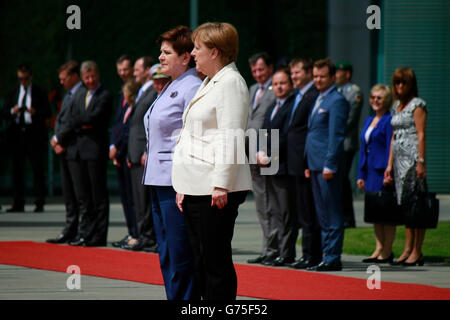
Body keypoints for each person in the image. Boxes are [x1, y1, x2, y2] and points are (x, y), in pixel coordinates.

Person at [172, 22, 252, 300]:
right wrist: (183, 184)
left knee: (214, 261)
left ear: (215, 52)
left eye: (197, 48)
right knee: (201, 260)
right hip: (197, 186)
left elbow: (230, 137)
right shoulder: (211, 81)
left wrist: (221, 185)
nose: (193, 53)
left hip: (214, 189)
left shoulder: (230, 82)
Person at [142, 25, 200, 300]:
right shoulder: (170, 86)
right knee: (165, 252)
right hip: (157, 179)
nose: (161, 57)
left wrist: (186, 181)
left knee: (180, 254)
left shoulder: (192, 88)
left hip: (176, 182)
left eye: (167, 53)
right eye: (161, 52)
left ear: (186, 57)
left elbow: (195, 137)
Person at [59, 60, 113, 247]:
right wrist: (83, 122)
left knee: (98, 195)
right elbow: (74, 118)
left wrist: (82, 122)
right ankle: (86, 233)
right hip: (80, 151)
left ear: (98, 75)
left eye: (93, 77)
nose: (90, 80)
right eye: (87, 77)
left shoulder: (104, 94)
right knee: (85, 196)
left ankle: (99, 235)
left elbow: (94, 118)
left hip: (95, 151)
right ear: (82, 78)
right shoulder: (80, 94)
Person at [304, 58, 349, 271]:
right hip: (314, 164)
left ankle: (333, 257)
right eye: (315, 76)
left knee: (332, 213)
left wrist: (330, 164)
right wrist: (307, 162)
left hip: (327, 166)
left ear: (333, 77)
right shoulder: (319, 98)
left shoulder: (337, 100)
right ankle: (326, 256)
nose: (318, 80)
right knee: (321, 213)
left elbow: (336, 135)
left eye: (322, 76)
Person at [384, 67, 428, 266]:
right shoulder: (396, 106)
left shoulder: (417, 105)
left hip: (411, 161)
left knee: (416, 205)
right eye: (397, 83)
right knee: (405, 207)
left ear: (411, 85)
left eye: (403, 83)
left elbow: (420, 134)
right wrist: (389, 163)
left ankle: (417, 251)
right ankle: (407, 248)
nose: (400, 86)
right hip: (398, 162)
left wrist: (420, 161)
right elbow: (394, 136)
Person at [256, 68, 297, 267]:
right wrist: (260, 151)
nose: (279, 87)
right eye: (276, 84)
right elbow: (264, 131)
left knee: (286, 211)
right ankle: (276, 251)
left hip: (282, 165)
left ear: (290, 85)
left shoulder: (291, 105)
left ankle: (287, 253)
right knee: (273, 210)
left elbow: (286, 135)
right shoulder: (273, 105)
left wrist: (269, 154)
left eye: (283, 83)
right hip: (269, 165)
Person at [285, 58, 322, 269]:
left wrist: (307, 161)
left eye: (297, 72)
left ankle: (312, 254)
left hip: (305, 162)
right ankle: (307, 253)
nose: (294, 77)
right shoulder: (297, 96)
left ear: (308, 72)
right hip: (294, 162)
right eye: (292, 73)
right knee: (301, 210)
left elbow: (309, 131)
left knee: (309, 211)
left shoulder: (313, 95)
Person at [2, 64, 51, 213]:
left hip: (34, 133)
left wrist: (35, 112)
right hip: (17, 134)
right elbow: (4, 111)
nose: (23, 81)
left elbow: (48, 112)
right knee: (17, 169)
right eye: (20, 79)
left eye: (25, 78)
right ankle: (18, 202)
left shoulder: (39, 92)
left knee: (37, 168)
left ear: (31, 77)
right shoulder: (13, 92)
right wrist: (13, 111)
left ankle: (39, 201)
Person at [122, 57, 158, 253]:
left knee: (145, 200)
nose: (134, 73)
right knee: (138, 200)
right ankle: (143, 235)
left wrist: (145, 150)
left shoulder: (153, 91)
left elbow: (150, 125)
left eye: (137, 70)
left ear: (147, 70)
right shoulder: (143, 91)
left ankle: (149, 237)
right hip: (134, 153)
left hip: (143, 153)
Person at [245, 52, 277, 264]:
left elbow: (273, 124)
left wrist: (265, 151)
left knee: (271, 204)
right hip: (251, 152)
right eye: (254, 70)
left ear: (270, 68)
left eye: (261, 69)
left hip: (268, 151)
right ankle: (267, 249)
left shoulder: (277, 90)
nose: (258, 74)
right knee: (260, 203)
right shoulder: (253, 89)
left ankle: (274, 250)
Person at [357, 84, 395, 263]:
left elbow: (390, 146)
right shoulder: (368, 120)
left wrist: (389, 168)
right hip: (370, 170)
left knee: (386, 213)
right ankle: (378, 248)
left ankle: (387, 250)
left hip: (382, 171)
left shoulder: (389, 120)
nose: (375, 101)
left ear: (386, 100)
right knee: (374, 213)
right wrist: (360, 174)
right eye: (373, 97)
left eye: (379, 98)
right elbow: (363, 148)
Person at [46, 61, 83, 243]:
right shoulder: (68, 95)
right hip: (64, 148)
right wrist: (55, 140)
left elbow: (74, 121)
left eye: (64, 78)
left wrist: (58, 139)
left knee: (79, 193)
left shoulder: (80, 93)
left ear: (74, 76)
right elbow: (61, 120)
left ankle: (80, 230)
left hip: (74, 148)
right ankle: (70, 228)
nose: (61, 82)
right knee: (68, 193)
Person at [110, 54, 139, 249]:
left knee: (134, 198)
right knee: (126, 198)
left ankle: (137, 233)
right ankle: (131, 232)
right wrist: (112, 145)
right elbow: (117, 123)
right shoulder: (122, 93)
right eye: (119, 70)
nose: (123, 73)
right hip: (120, 154)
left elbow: (131, 127)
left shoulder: (137, 91)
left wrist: (119, 147)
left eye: (126, 69)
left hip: (130, 153)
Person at [335, 61, 363, 228]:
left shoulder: (355, 92)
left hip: (346, 143)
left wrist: (334, 133)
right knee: (338, 181)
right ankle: (342, 215)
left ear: (347, 74)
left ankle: (348, 218)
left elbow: (350, 119)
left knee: (343, 181)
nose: (337, 75)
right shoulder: (338, 91)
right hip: (337, 142)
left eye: (340, 72)